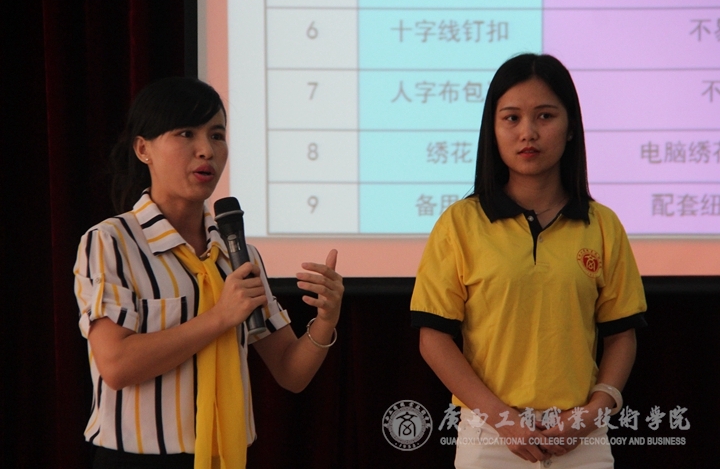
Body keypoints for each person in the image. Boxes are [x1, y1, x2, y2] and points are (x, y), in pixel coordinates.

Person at [73, 77, 344, 469]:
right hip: (137, 461)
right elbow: (116, 365)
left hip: (225, 457)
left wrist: (325, 320)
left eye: (217, 135)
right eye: (186, 133)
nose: (207, 150)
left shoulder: (238, 253)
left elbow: (290, 371)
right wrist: (219, 317)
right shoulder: (111, 242)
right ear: (143, 149)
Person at [410, 53, 647, 468]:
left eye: (545, 116)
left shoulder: (602, 225)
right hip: (490, 436)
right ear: (493, 129)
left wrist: (596, 410)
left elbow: (621, 335)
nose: (528, 133)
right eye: (512, 118)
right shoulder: (460, 223)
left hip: (581, 437)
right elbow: (434, 337)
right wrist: (503, 419)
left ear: (570, 127)